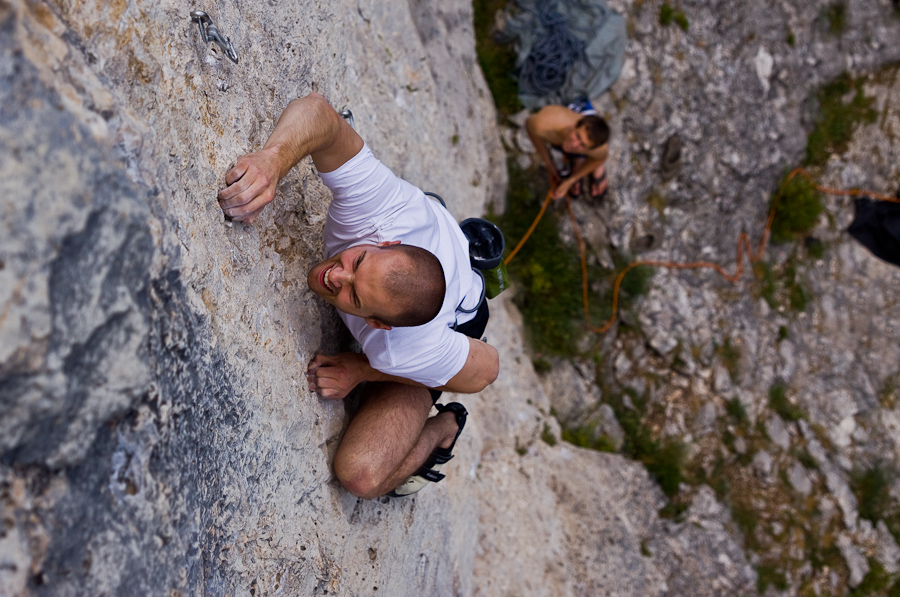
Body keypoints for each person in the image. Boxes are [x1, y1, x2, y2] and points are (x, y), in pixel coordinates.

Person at [216, 93, 499, 498]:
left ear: (377, 323)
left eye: (354, 296)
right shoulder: (377, 212)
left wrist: (364, 368)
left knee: (361, 477)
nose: (335, 275)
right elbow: (319, 114)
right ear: (386, 243)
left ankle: (445, 427)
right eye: (359, 262)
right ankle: (443, 234)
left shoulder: (406, 348)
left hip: (458, 322)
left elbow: (486, 370)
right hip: (426, 235)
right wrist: (272, 161)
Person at [525, 100, 610, 201]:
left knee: (587, 149)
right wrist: (549, 164)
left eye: (582, 144)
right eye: (577, 136)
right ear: (575, 125)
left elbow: (601, 157)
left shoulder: (597, 149)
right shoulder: (543, 124)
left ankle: (581, 159)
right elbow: (530, 127)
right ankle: (579, 159)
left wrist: (571, 180)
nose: (574, 144)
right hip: (572, 104)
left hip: (570, 136)